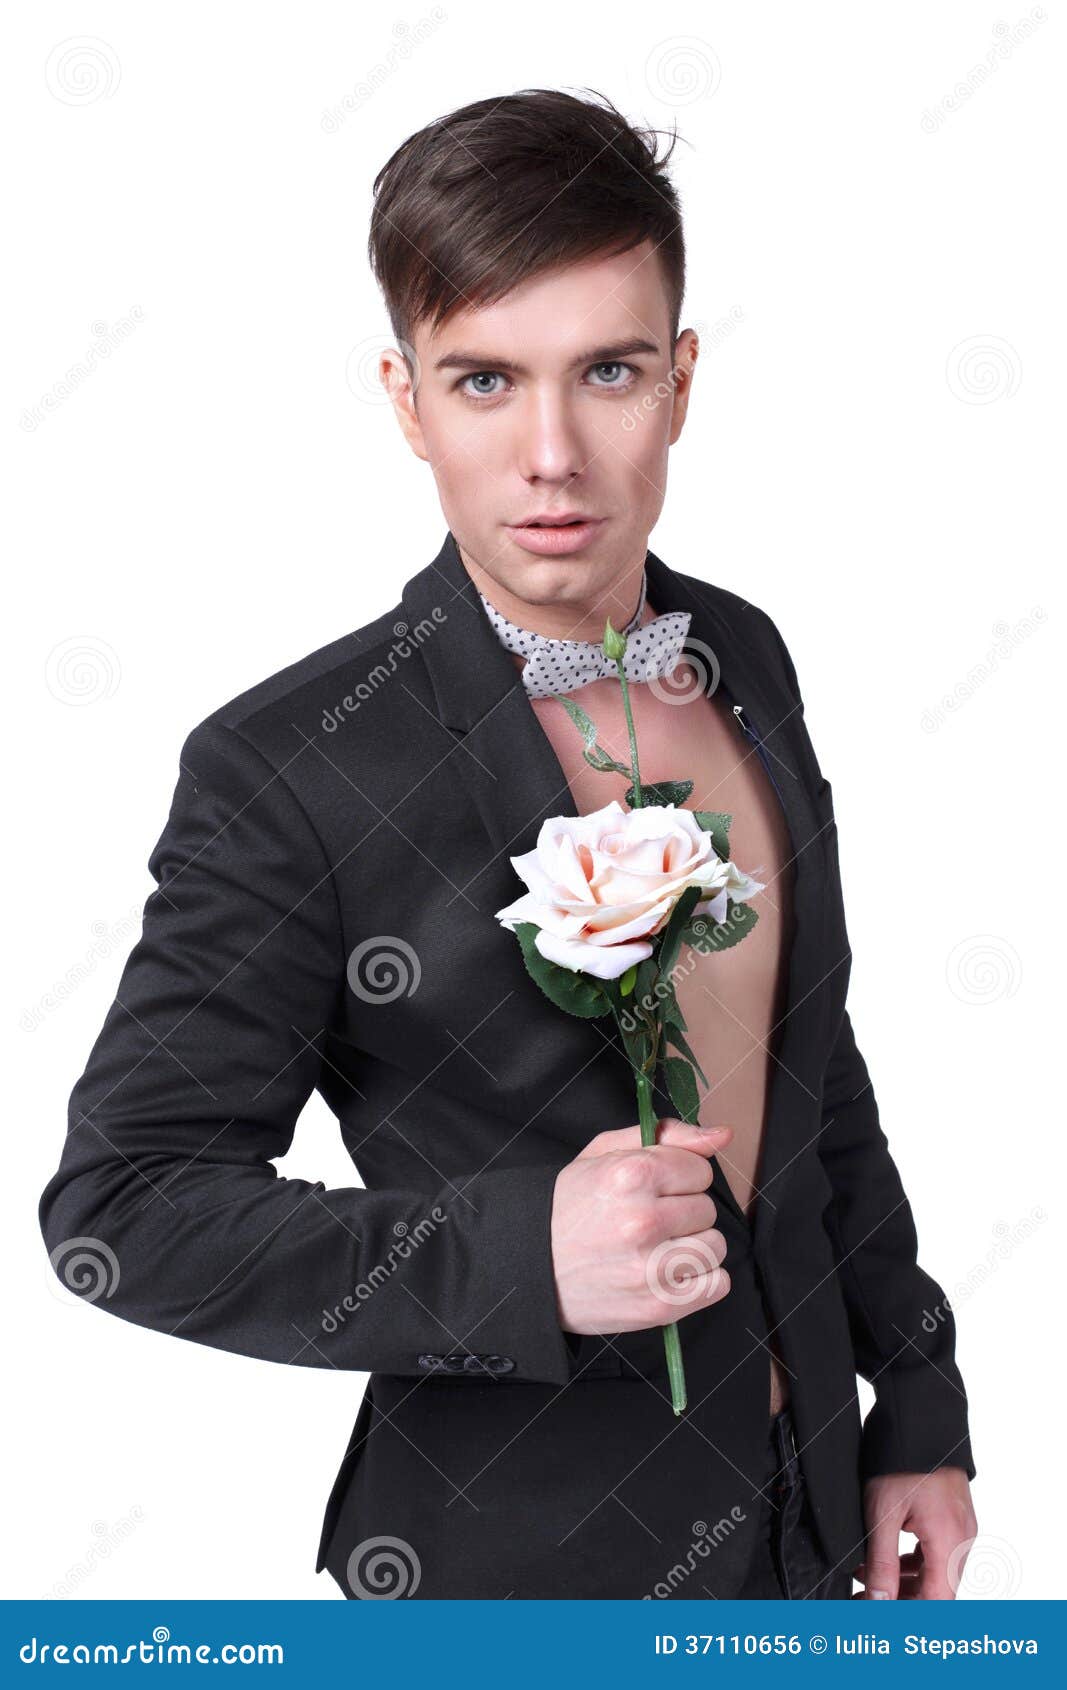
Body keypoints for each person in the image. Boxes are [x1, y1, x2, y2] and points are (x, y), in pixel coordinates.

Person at [39, 88, 977, 1601]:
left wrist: (915, 1401)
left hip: (815, 1547)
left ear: (678, 381)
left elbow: (814, 1066)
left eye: (607, 370)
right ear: (409, 403)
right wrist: (516, 1253)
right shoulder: (289, 769)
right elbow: (124, 1206)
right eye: (485, 381)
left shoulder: (741, 653)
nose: (553, 452)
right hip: (510, 1575)